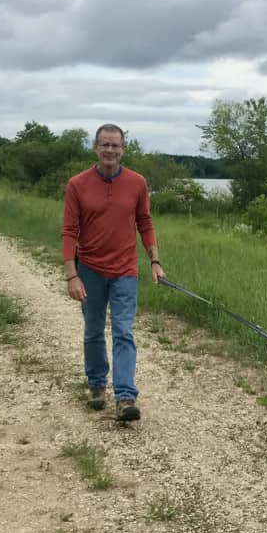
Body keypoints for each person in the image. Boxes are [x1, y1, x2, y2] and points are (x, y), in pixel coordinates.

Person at [61, 123, 165, 422]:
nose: (109, 150)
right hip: (90, 269)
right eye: (104, 145)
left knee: (123, 331)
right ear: (95, 148)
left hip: (125, 271)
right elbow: (69, 231)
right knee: (93, 331)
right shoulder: (77, 184)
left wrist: (154, 261)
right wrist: (72, 274)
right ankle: (96, 385)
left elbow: (145, 223)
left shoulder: (137, 183)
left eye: (115, 145)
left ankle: (125, 397)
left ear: (123, 149)